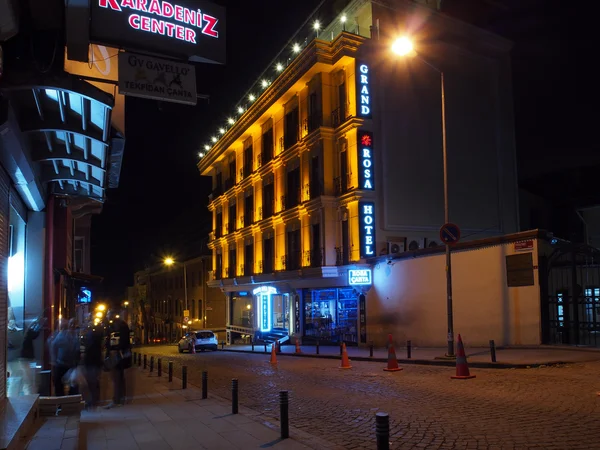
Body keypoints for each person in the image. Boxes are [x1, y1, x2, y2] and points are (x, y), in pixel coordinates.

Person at [104, 309, 132, 408]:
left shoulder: (119, 325)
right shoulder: (116, 325)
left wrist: (115, 349)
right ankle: (119, 398)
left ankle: (117, 400)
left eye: (108, 314)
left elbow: (119, 341)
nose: (107, 316)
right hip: (118, 355)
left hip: (118, 355)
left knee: (117, 378)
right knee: (118, 378)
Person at [50, 318, 80, 396]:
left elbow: (77, 351)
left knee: (73, 387)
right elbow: (54, 346)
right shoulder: (62, 334)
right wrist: (54, 360)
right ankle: (60, 404)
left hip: (71, 366)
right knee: (59, 386)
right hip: (60, 364)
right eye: (71, 323)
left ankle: (71, 405)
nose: (72, 325)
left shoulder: (77, 336)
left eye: (74, 324)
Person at [82, 315, 103, 409]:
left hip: (92, 361)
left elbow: (90, 348)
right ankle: (94, 400)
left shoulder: (92, 334)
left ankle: (93, 401)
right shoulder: (93, 333)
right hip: (94, 361)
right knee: (94, 382)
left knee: (92, 382)